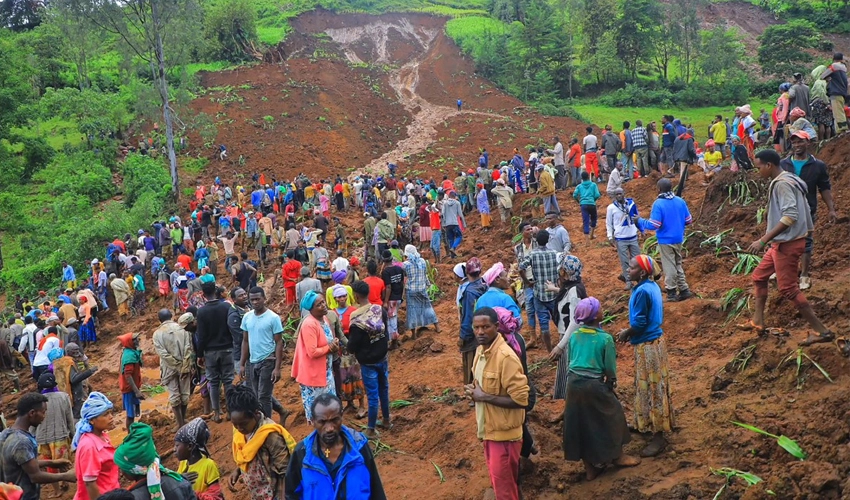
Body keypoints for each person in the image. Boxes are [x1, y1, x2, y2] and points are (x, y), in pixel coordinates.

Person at [744, 149, 837, 348]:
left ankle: (823, 331)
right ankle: (757, 321)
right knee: (759, 277)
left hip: (787, 243)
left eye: (758, 166)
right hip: (782, 242)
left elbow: (790, 216)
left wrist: (763, 240)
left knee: (788, 289)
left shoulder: (783, 185)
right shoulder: (790, 179)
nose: (758, 171)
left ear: (769, 165)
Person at [563, 298, 640, 479]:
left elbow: (571, 360)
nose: (602, 310)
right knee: (613, 415)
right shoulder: (605, 339)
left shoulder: (574, 336)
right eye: (600, 309)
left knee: (579, 424)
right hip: (594, 384)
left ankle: (590, 468)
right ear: (596, 316)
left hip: (573, 384)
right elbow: (609, 368)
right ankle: (618, 456)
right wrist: (611, 381)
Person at [464, 307, 529, 500]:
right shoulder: (479, 352)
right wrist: (474, 393)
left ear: (497, 327)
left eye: (486, 327)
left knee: (505, 491)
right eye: (476, 327)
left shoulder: (506, 357)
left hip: (505, 437)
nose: (480, 332)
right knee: (504, 485)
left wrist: (482, 397)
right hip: (489, 431)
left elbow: (521, 399)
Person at [615, 255, 674, 457]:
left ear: (641, 272)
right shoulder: (651, 286)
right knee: (654, 386)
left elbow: (639, 323)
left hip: (647, 345)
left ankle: (658, 437)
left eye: (631, 268)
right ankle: (647, 423)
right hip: (656, 342)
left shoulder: (641, 292)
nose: (627, 270)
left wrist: (626, 333)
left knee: (652, 388)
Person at [284, 393, 386, 499]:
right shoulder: (302, 453)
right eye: (322, 422)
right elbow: (291, 494)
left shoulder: (359, 447)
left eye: (334, 420)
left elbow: (376, 489)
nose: (329, 428)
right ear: (313, 421)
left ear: (341, 416)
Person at [779, 131, 837, 291]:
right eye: (794, 142)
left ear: (808, 143)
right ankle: (785, 271)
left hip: (807, 209)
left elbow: (824, 188)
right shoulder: (784, 164)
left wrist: (831, 209)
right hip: (786, 209)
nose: (797, 145)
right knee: (784, 239)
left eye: (800, 142)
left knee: (806, 241)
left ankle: (804, 275)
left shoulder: (818, 166)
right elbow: (776, 187)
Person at [0, 393, 76, 500]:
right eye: (43, 412)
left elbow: (20, 463)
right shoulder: (22, 442)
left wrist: (51, 463)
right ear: (32, 413)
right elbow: (35, 476)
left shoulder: (6, 434)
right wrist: (66, 476)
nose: (44, 416)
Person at [227, 384, 296, 500]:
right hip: (258, 494)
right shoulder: (240, 432)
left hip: (274, 494)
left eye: (243, 424)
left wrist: (283, 497)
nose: (239, 429)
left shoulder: (270, 435)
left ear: (256, 414)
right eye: (235, 425)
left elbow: (285, 470)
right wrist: (238, 470)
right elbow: (246, 455)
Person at [636, 178, 694, 302]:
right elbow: (689, 220)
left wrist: (640, 221)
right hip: (678, 238)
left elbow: (654, 224)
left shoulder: (659, 204)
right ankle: (684, 289)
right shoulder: (680, 201)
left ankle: (671, 291)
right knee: (678, 263)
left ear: (659, 189)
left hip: (666, 239)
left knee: (669, 265)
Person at [347, 281, 391, 438]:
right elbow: (386, 329)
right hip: (383, 356)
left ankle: (371, 429)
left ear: (356, 296)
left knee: (372, 395)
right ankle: (386, 420)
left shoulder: (356, 317)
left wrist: (349, 349)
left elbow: (353, 344)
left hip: (368, 362)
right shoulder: (379, 309)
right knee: (384, 389)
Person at [114, 423, 195, 500]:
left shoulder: (133, 497)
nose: (121, 472)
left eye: (122, 468)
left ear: (133, 471)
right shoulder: (179, 481)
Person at [292, 291, 339, 422]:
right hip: (313, 376)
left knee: (329, 409)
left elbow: (328, 339)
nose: (324, 305)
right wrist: (330, 348)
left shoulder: (323, 319)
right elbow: (312, 352)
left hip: (325, 373)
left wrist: (334, 343)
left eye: (323, 302)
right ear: (311, 309)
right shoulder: (309, 324)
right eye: (319, 305)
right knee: (319, 413)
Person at [240, 287, 284, 419]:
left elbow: (279, 342)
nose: (255, 302)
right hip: (252, 362)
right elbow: (245, 341)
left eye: (258, 299)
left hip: (268, 360)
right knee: (256, 393)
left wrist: (277, 367)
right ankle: (281, 412)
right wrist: (242, 364)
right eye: (252, 299)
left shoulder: (273, 318)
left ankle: (266, 425)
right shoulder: (247, 317)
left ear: (264, 299)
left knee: (263, 397)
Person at [195, 281, 234, 423]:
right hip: (227, 348)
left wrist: (199, 355)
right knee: (228, 380)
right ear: (216, 291)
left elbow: (202, 335)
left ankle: (217, 413)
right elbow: (231, 327)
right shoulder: (226, 307)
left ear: (203, 295)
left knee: (214, 382)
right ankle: (230, 411)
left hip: (210, 352)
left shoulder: (201, 311)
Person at [72, 393, 120, 500]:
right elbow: (90, 483)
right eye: (105, 414)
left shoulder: (103, 436)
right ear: (92, 420)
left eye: (110, 413)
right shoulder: (89, 446)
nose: (111, 417)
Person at [35, 372, 74, 498]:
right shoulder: (64, 397)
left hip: (42, 438)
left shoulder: (36, 400)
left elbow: (31, 424)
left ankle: (57, 490)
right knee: (63, 462)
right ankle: (65, 481)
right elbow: (70, 418)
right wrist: (73, 434)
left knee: (49, 466)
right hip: (60, 436)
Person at [152, 309, 194, 429]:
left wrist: (175, 364)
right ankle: (183, 419)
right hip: (184, 366)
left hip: (168, 368)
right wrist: (183, 366)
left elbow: (163, 354)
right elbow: (188, 348)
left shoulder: (157, 334)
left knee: (174, 395)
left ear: (159, 320)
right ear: (172, 316)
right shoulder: (183, 329)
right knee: (185, 393)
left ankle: (179, 423)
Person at [518, 231, 559, 352]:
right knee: (558, 319)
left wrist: (527, 282)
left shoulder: (533, 254)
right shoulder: (554, 253)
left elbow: (520, 268)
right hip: (553, 292)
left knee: (543, 323)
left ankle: (550, 351)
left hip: (539, 293)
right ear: (547, 240)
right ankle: (564, 343)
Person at [175, 418, 223, 500]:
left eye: (177, 445)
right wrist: (180, 479)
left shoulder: (208, 465)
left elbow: (216, 495)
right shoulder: (183, 463)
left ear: (190, 446)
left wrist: (192, 493)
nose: (174, 449)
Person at [458, 258, 488, 388]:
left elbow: (468, 316)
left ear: (467, 273)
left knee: (471, 363)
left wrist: (463, 336)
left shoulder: (469, 291)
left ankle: (472, 391)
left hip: (473, 332)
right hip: (487, 328)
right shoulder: (485, 285)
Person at [606, 188, 641, 289]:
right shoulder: (611, 208)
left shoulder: (631, 204)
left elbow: (636, 216)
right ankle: (628, 281)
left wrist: (641, 230)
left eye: (620, 194)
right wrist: (610, 236)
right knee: (624, 261)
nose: (619, 196)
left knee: (637, 259)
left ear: (624, 193)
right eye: (616, 194)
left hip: (633, 236)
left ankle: (638, 279)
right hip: (620, 238)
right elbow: (609, 223)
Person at [401, 245, 439, 338]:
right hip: (422, 288)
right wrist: (428, 284)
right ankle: (437, 327)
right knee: (427, 307)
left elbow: (404, 277)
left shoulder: (405, 264)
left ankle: (413, 334)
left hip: (411, 290)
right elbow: (425, 274)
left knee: (412, 312)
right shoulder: (422, 261)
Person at [58, 343, 96, 420]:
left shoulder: (73, 361)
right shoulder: (69, 362)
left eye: (77, 350)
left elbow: (81, 372)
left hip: (77, 391)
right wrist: (89, 372)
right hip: (75, 393)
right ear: (68, 352)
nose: (77, 353)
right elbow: (74, 379)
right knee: (77, 414)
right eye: (74, 351)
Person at [118, 332, 145, 432]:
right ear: (130, 342)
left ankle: (131, 433)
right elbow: (128, 375)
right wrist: (136, 391)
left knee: (132, 413)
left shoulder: (130, 352)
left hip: (130, 387)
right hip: (129, 389)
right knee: (130, 414)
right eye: (135, 339)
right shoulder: (129, 356)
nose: (138, 340)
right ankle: (130, 435)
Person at [820, 53, 848, 133]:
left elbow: (822, 76)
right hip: (842, 93)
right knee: (839, 111)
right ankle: (839, 131)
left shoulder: (834, 66)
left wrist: (828, 79)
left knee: (837, 113)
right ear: (841, 59)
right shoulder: (844, 68)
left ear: (834, 59)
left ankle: (842, 130)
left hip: (835, 92)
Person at [573, 171, 601, 243]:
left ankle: (587, 241)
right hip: (592, 204)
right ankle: (591, 235)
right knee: (594, 218)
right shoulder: (593, 185)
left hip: (583, 204)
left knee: (585, 221)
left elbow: (574, 195)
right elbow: (597, 195)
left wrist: (579, 201)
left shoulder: (579, 186)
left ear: (582, 178)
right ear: (588, 177)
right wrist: (593, 200)